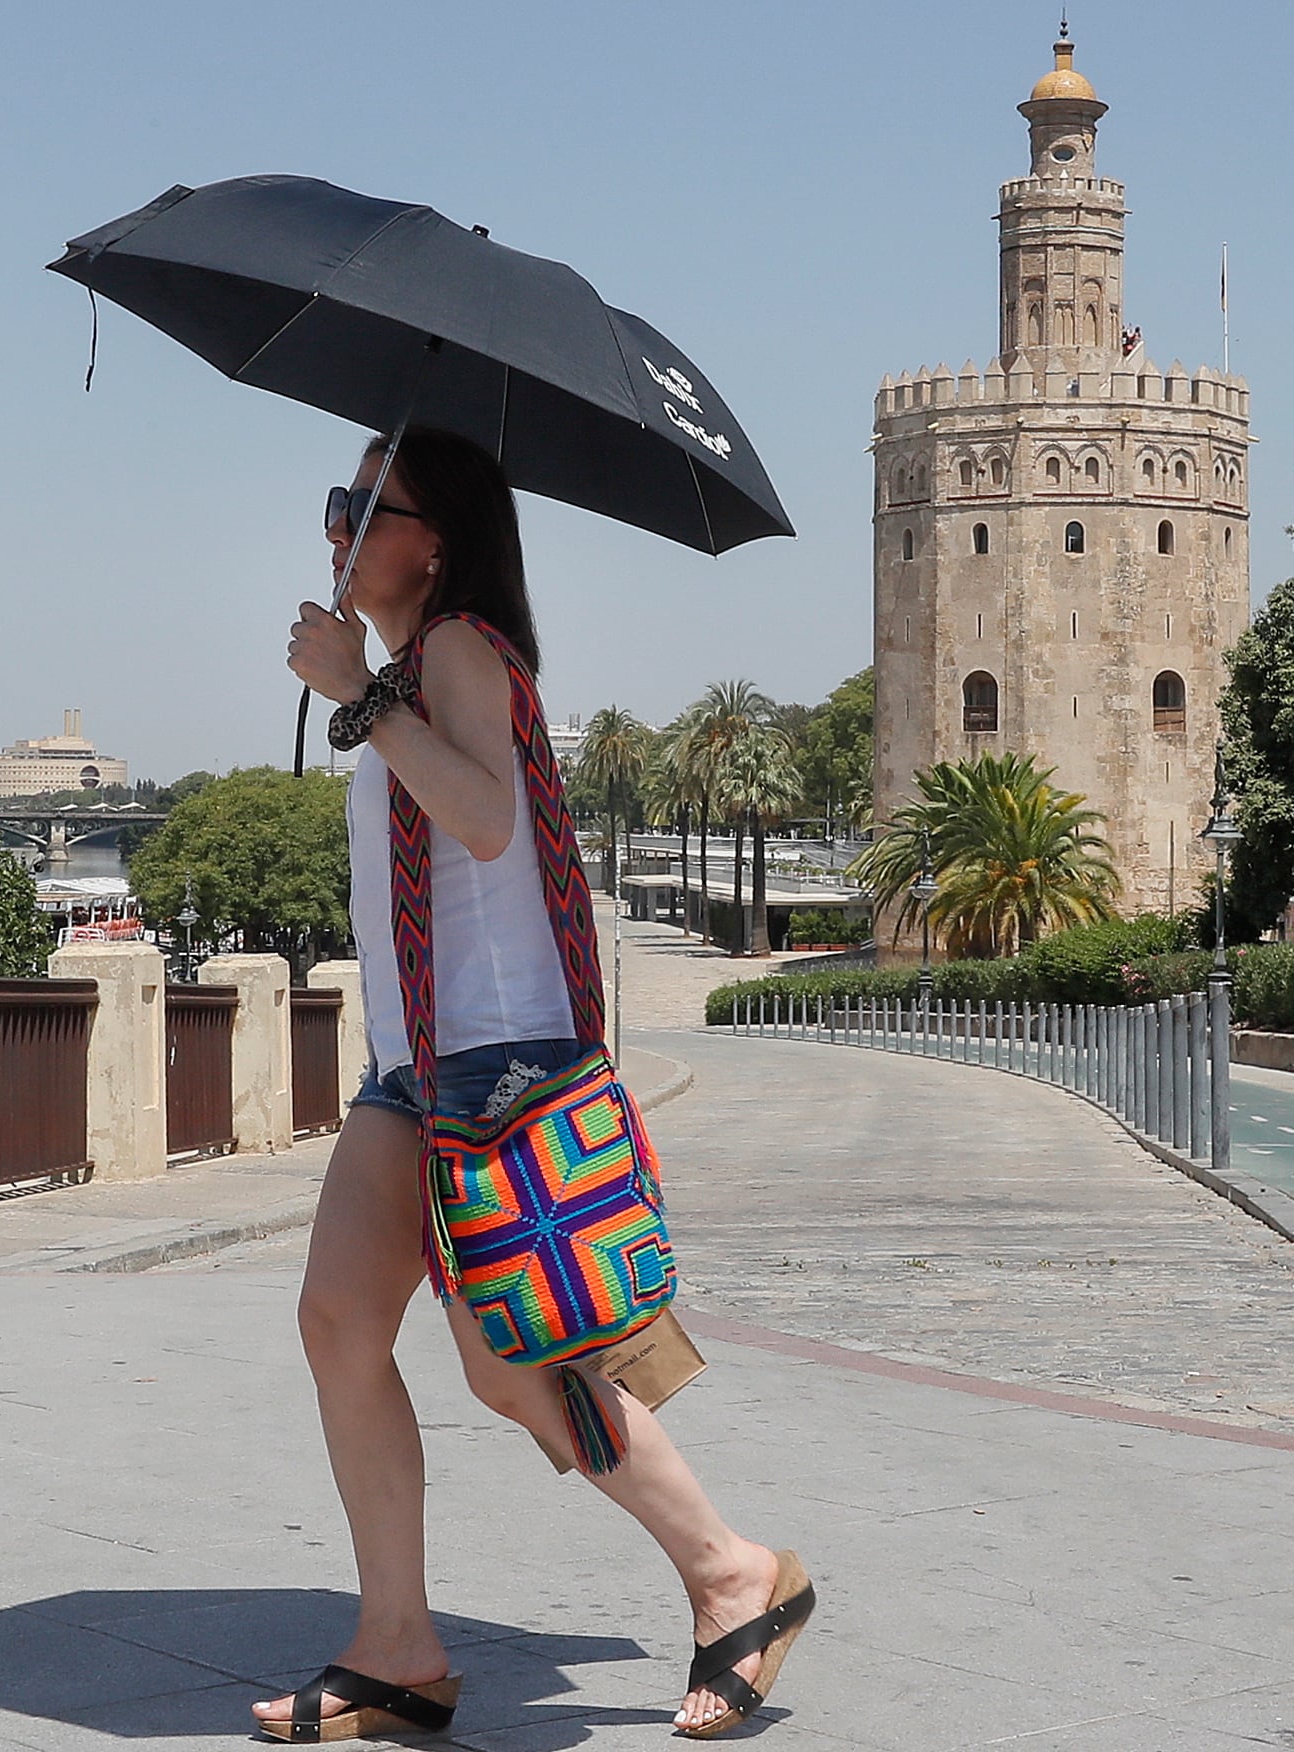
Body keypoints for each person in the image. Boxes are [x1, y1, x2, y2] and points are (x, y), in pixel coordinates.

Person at [274, 428, 810, 1742]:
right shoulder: (408, 667)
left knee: (515, 1369)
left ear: (434, 537)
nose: (335, 526)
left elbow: (487, 819)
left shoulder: (453, 649)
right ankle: (397, 1645)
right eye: (332, 502)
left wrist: (360, 692)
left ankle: (734, 1574)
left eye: (362, 505)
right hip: (417, 1070)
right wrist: (361, 691)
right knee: (340, 1326)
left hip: (501, 1069)